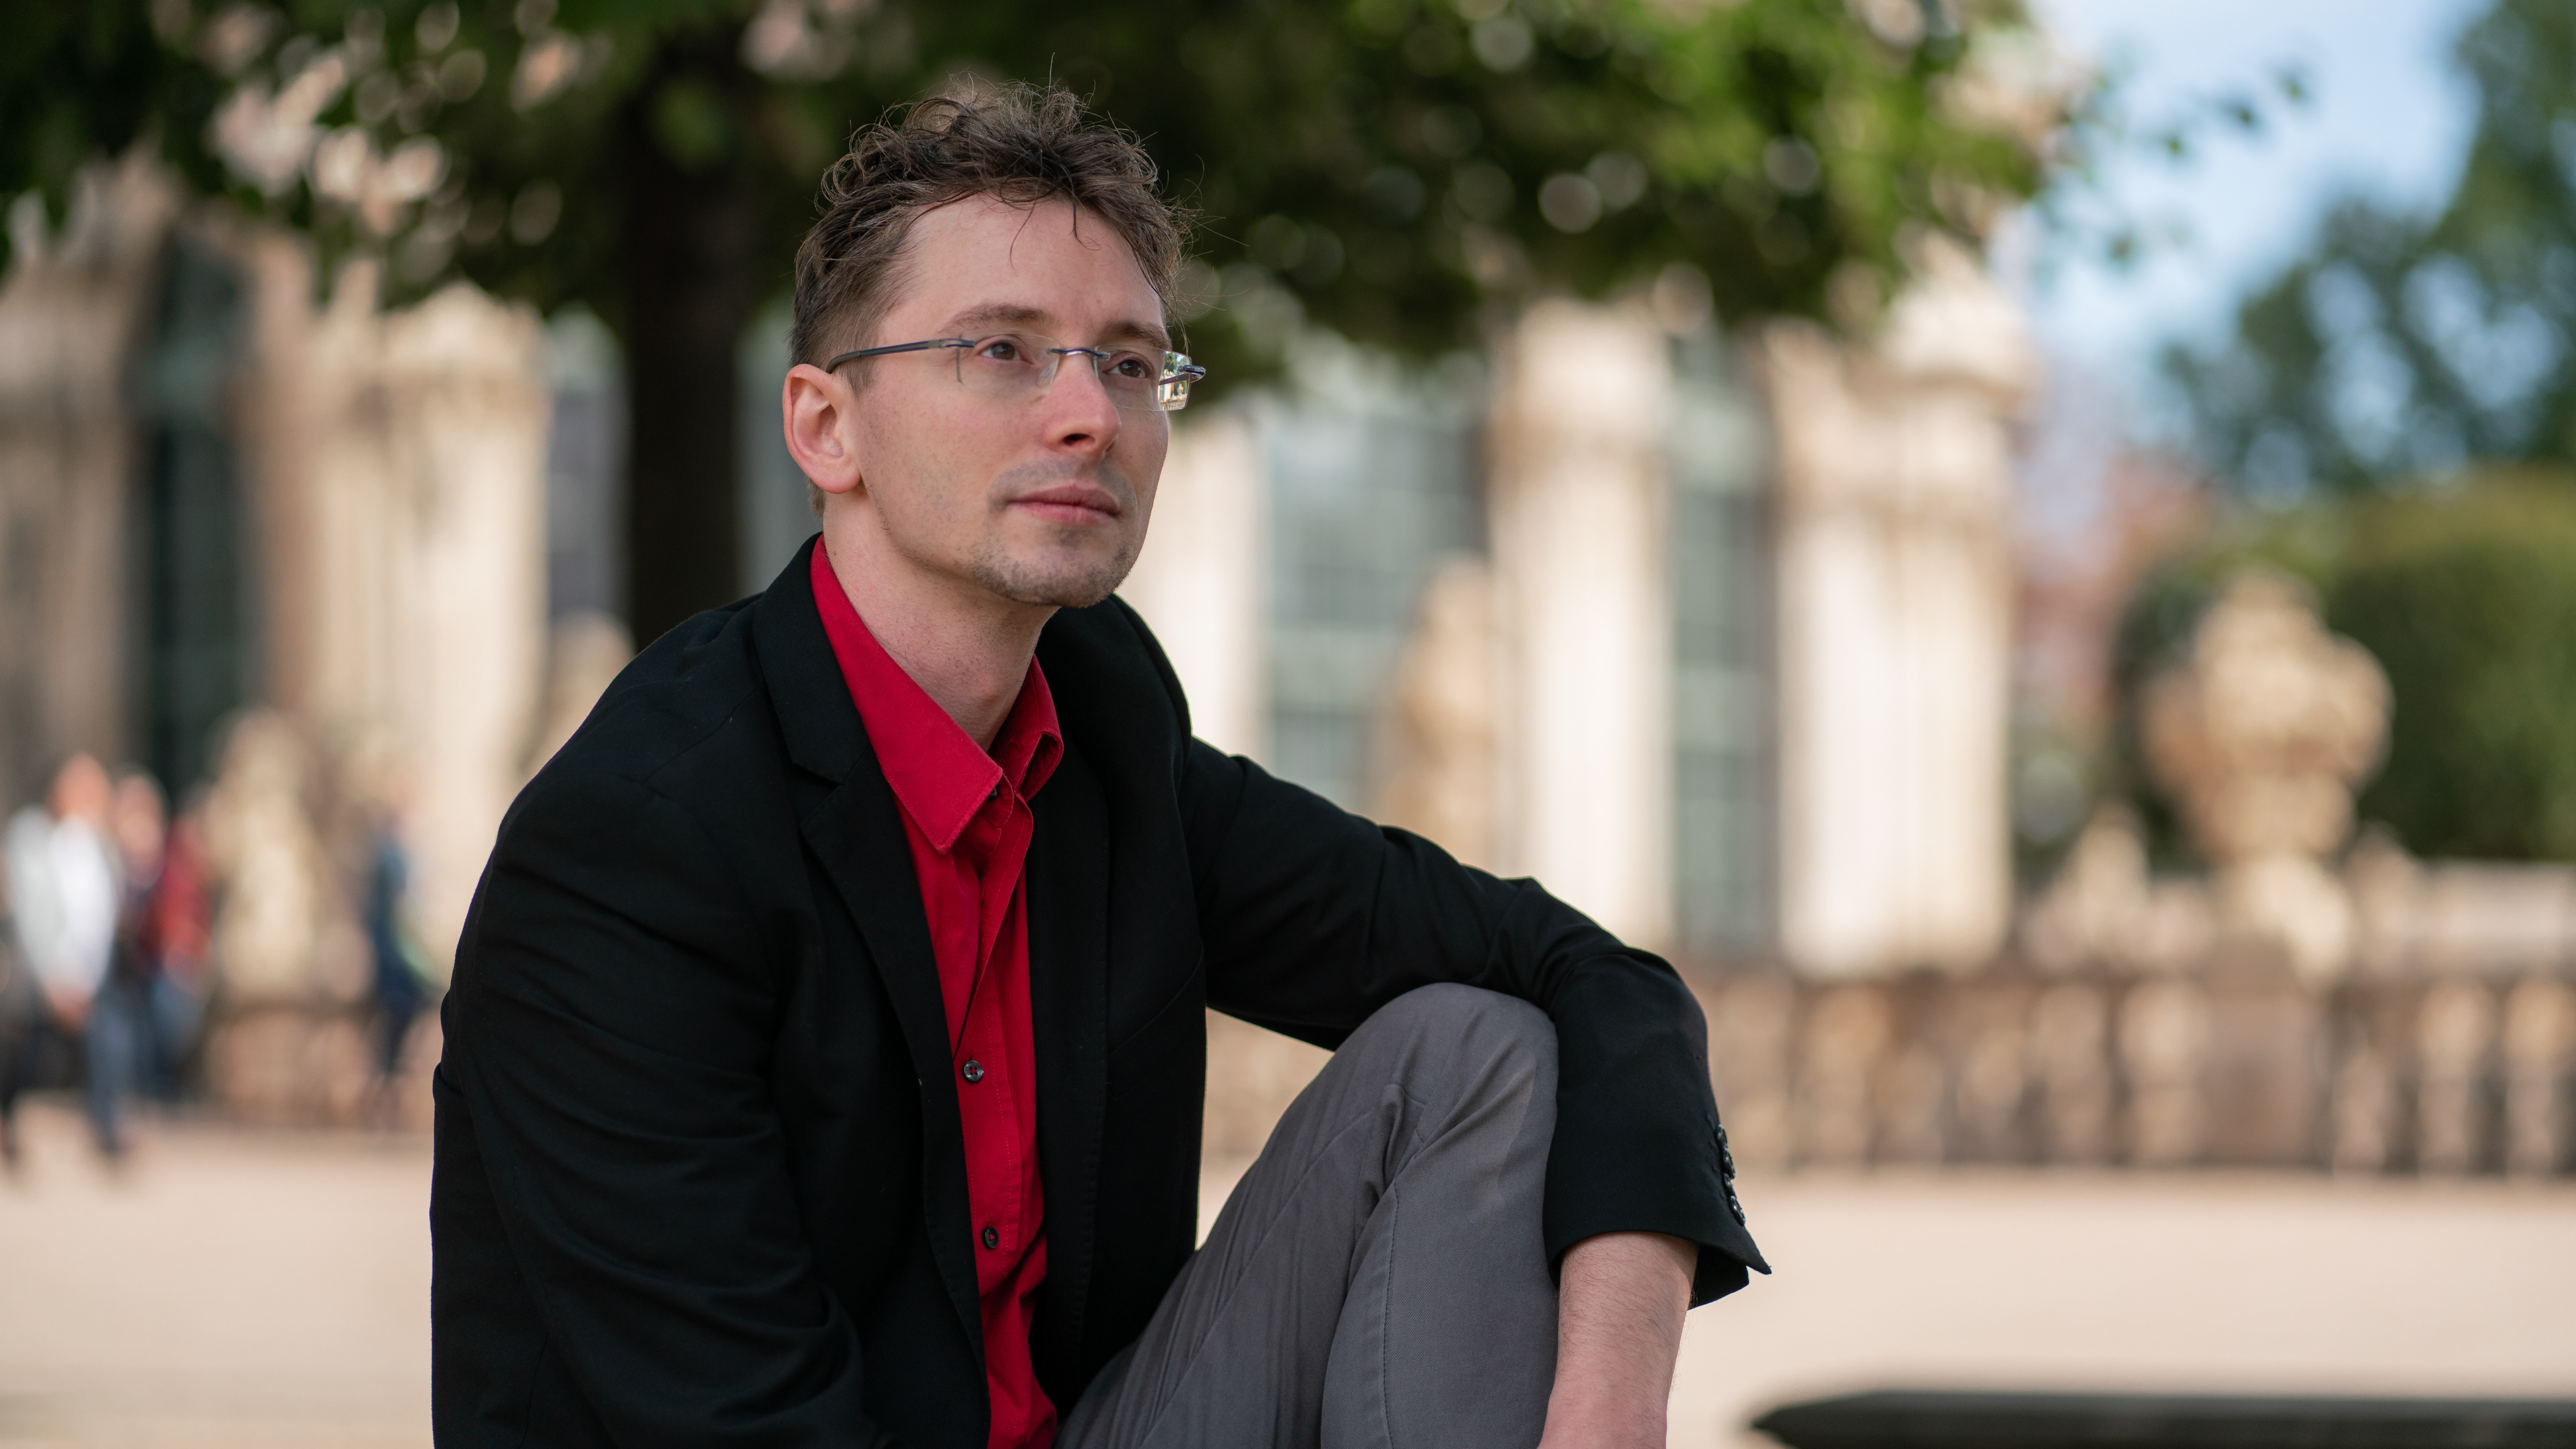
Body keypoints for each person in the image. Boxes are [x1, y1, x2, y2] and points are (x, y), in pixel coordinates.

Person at [433, 85, 1764, 1449]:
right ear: (828, 427)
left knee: (1475, 1053)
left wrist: (1610, 1396)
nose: (1089, 414)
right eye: (1002, 350)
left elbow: (1589, 979)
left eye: (1130, 364)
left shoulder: (1103, 729)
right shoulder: (634, 850)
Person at [3, 755, 128, 1159]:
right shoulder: (32, 838)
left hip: (90, 977)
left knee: (109, 1045)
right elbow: (30, 916)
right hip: (44, 977)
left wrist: (87, 977)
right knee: (26, 1054)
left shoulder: (102, 846)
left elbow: (102, 916)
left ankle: (105, 1129)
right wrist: (53, 977)